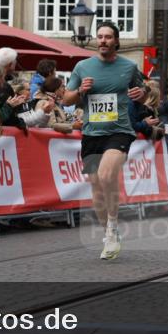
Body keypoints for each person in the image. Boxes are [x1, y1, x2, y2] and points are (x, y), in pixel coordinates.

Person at [62, 22, 145, 261]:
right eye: (100, 37)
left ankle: (112, 226)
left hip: (119, 131)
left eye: (108, 37)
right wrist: (80, 92)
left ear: (116, 41)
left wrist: (142, 94)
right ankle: (109, 232)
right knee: (95, 185)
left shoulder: (128, 67)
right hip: (91, 134)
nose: (103, 41)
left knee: (108, 175)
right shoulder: (82, 66)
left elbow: (144, 91)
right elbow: (66, 100)